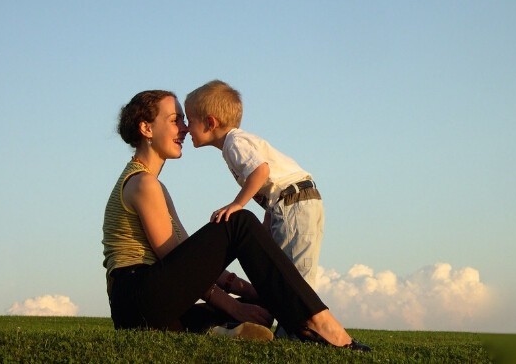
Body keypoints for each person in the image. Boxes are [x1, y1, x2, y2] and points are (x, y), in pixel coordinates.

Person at [101, 90, 370, 351]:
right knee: (238, 221)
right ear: (146, 129)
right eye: (175, 120)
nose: (184, 128)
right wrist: (233, 304)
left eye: (184, 120)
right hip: (138, 296)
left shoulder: (151, 184)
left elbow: (186, 258)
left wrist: (248, 292)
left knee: (262, 307)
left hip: (146, 311)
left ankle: (222, 330)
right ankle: (318, 321)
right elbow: (171, 254)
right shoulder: (143, 183)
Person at [184, 80, 323, 289]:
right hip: (290, 202)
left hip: (295, 203)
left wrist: (237, 204)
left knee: (294, 275)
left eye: (189, 120)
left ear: (210, 123)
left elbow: (261, 171)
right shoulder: (235, 144)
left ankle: (304, 320)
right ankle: (289, 318)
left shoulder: (234, 143)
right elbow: (270, 183)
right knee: (285, 271)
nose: (186, 128)